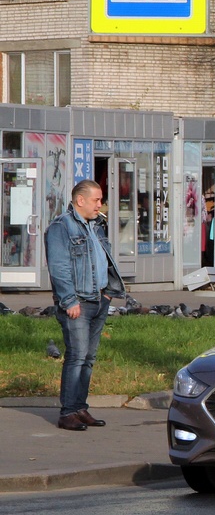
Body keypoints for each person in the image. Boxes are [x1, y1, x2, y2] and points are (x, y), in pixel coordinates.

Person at [43, 180, 124, 432]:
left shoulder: (96, 225)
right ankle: (67, 413)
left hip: (99, 299)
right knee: (76, 357)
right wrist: (69, 300)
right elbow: (59, 267)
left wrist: (109, 293)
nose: (100, 205)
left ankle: (80, 407)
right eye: (96, 200)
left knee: (88, 358)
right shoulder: (61, 227)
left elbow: (104, 260)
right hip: (78, 302)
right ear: (80, 200)